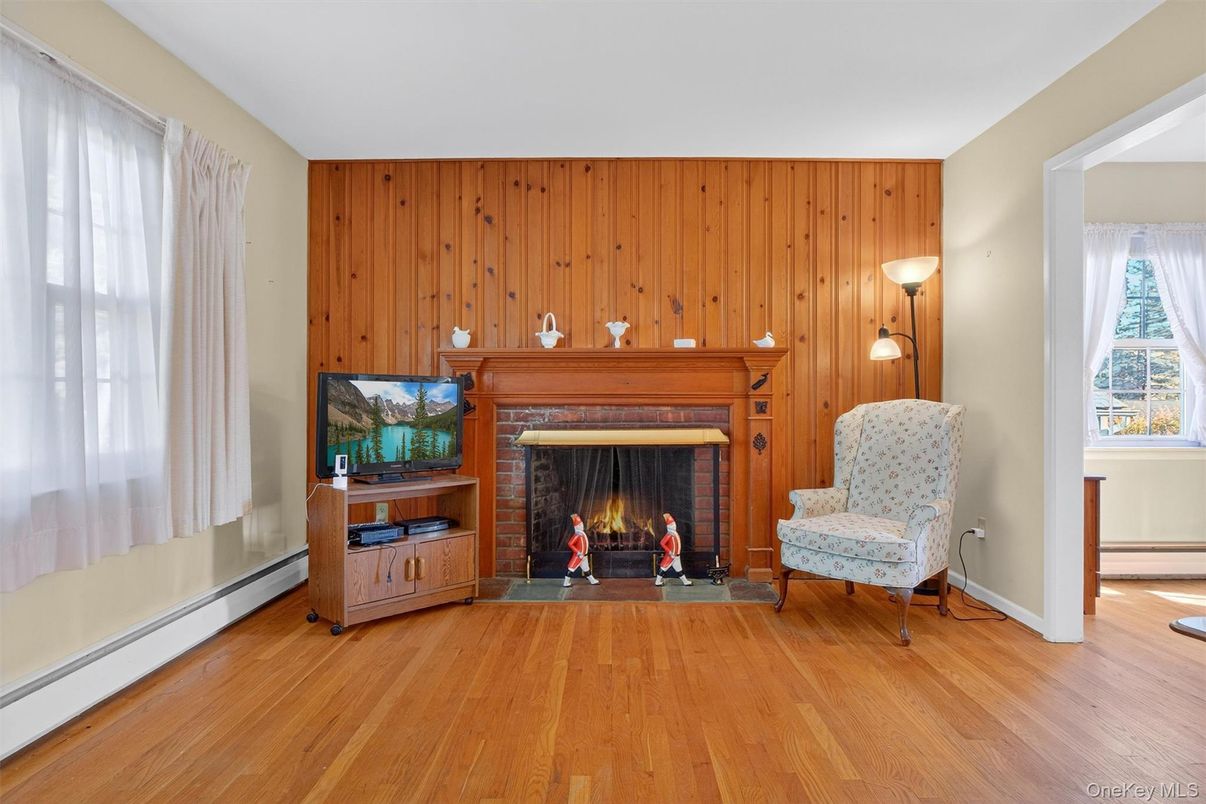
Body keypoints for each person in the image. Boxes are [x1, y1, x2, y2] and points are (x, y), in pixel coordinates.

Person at [655, 512, 693, 586]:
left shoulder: (675, 533)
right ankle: (657, 581)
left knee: (679, 569)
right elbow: (662, 543)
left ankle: (685, 581)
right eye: (671, 525)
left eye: (674, 524)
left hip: (676, 556)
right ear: (668, 526)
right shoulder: (669, 535)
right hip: (671, 556)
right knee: (663, 568)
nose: (673, 526)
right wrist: (669, 552)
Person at [564, 513, 600, 587]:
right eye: (579, 525)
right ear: (576, 527)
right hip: (578, 556)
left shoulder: (582, 534)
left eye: (581, 524)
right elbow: (570, 544)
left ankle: (592, 580)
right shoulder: (577, 535)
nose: (581, 526)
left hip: (584, 556)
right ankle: (566, 582)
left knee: (586, 569)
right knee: (571, 569)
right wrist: (578, 552)